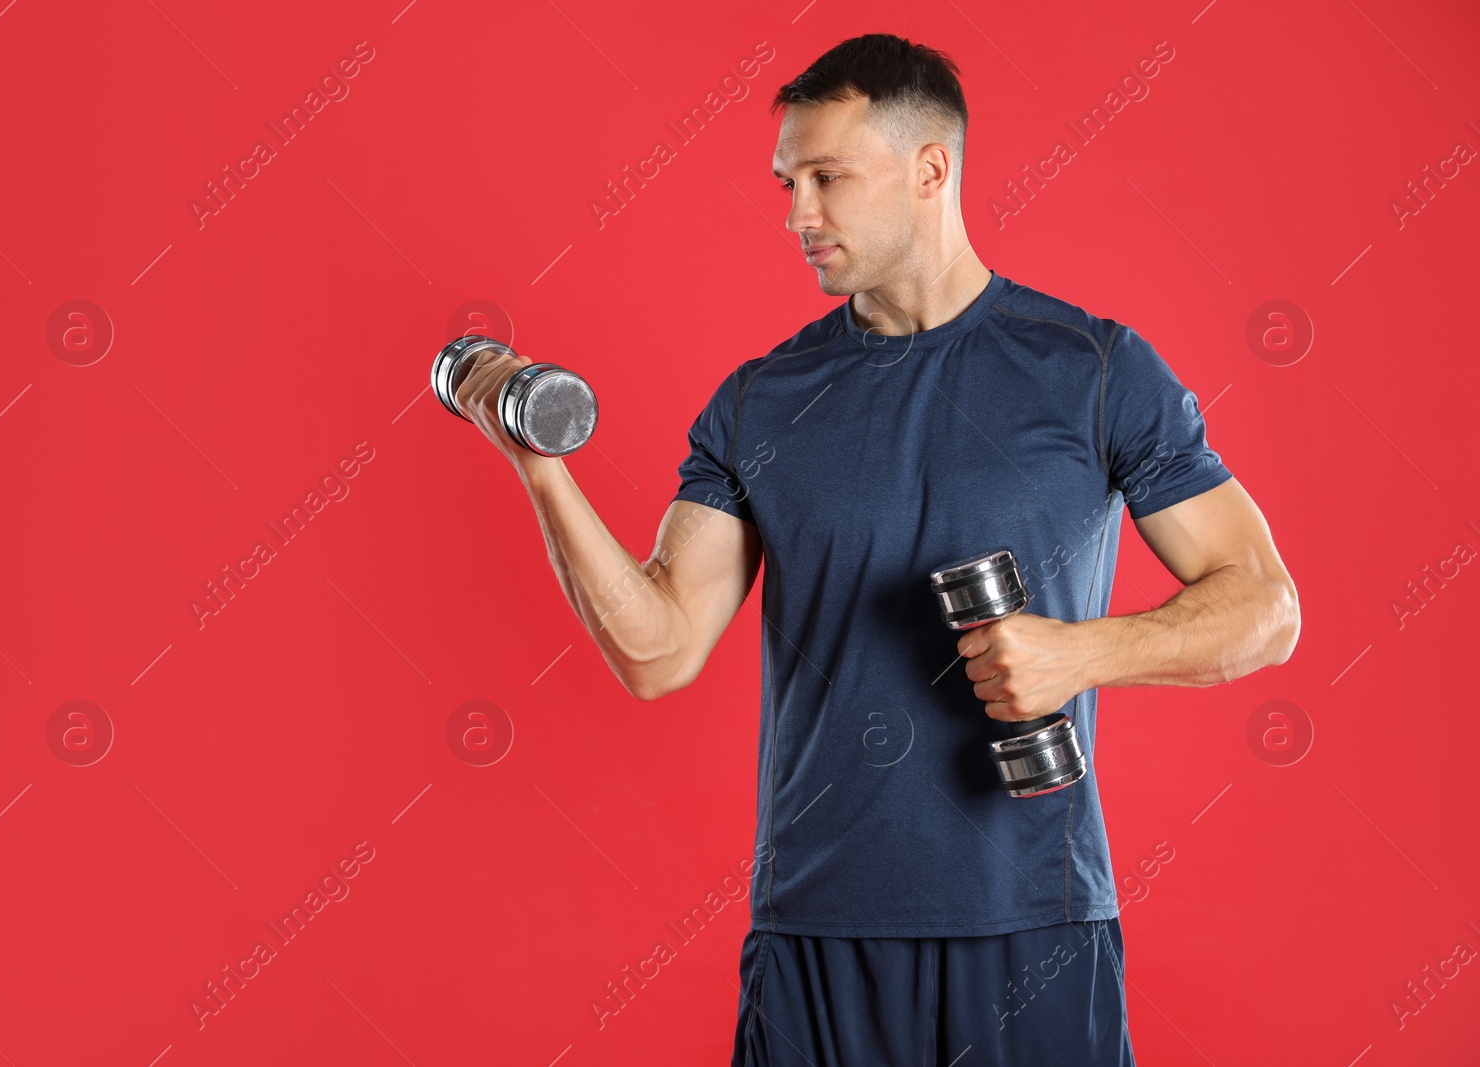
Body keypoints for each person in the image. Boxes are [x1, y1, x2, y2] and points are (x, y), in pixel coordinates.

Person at [454, 32, 1300, 1067]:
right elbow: (658, 648)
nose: (795, 213)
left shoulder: (1092, 370)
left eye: (825, 178)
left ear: (930, 169)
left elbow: (1264, 605)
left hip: (1029, 919)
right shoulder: (760, 402)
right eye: (785, 181)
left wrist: (1081, 654)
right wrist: (540, 465)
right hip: (816, 925)